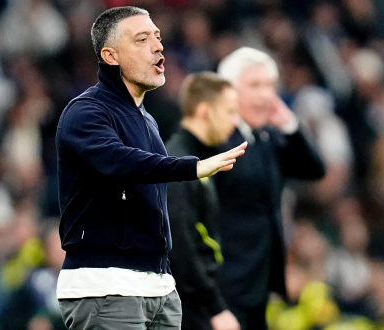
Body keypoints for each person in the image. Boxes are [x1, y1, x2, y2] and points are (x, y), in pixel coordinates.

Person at [55, 7, 247, 330]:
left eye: (157, 37)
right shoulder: (85, 112)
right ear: (110, 55)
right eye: (142, 39)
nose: (158, 46)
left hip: (159, 289)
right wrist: (192, 167)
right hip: (107, 287)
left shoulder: (149, 121)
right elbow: (121, 162)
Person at [215, 47, 326, 330]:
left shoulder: (266, 138)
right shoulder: (213, 141)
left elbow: (314, 169)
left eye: (270, 86)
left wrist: (289, 124)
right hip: (224, 286)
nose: (265, 95)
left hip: (259, 282)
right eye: (254, 85)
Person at [166, 72, 241, 330]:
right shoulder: (180, 165)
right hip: (186, 308)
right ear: (205, 111)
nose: (235, 122)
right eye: (230, 112)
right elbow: (181, 244)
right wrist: (215, 308)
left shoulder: (197, 159)